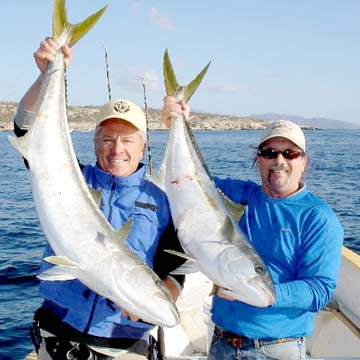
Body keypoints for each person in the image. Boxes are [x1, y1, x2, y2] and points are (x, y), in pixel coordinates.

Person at [14, 38, 185, 360]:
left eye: (126, 140)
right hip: (56, 335)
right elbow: (26, 131)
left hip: (124, 347)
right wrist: (46, 75)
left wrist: (153, 306)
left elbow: (175, 272)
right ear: (95, 143)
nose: (116, 148)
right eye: (107, 139)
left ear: (143, 146)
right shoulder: (66, 177)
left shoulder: (164, 203)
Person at [161, 97, 344, 360]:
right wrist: (176, 124)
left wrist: (263, 293)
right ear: (257, 159)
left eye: (290, 153)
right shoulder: (238, 195)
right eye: (269, 152)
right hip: (222, 343)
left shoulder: (318, 218)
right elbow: (187, 182)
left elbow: (320, 289)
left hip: (277, 349)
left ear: (303, 162)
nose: (279, 160)